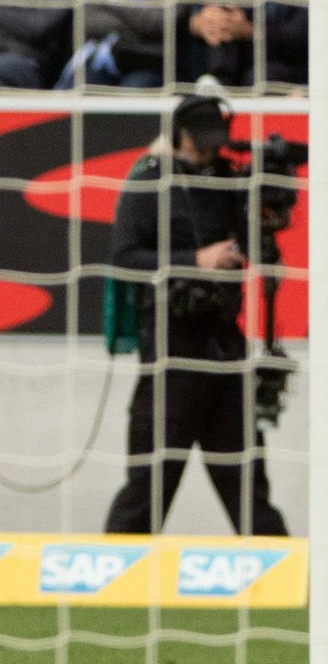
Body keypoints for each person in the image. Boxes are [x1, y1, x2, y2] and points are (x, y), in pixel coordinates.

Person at [100, 96, 287, 536]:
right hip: (172, 347)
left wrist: (270, 215)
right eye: (200, 141)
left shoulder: (230, 180)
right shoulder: (151, 179)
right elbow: (124, 257)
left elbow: (261, 253)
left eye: (215, 141)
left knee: (248, 485)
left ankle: (281, 569)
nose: (209, 150)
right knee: (148, 487)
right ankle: (118, 567)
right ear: (179, 135)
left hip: (224, 344)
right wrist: (195, 261)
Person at [181, 0, 307, 88]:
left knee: (265, 73)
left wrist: (248, 31)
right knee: (224, 26)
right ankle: (216, 84)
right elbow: (203, 15)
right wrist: (206, 23)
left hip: (277, 72)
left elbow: (297, 40)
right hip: (229, 65)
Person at [60, 0, 170, 89]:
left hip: (148, 64)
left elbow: (155, 23)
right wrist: (136, 20)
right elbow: (88, 22)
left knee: (131, 92)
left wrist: (112, 4)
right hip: (101, 59)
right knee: (77, 85)